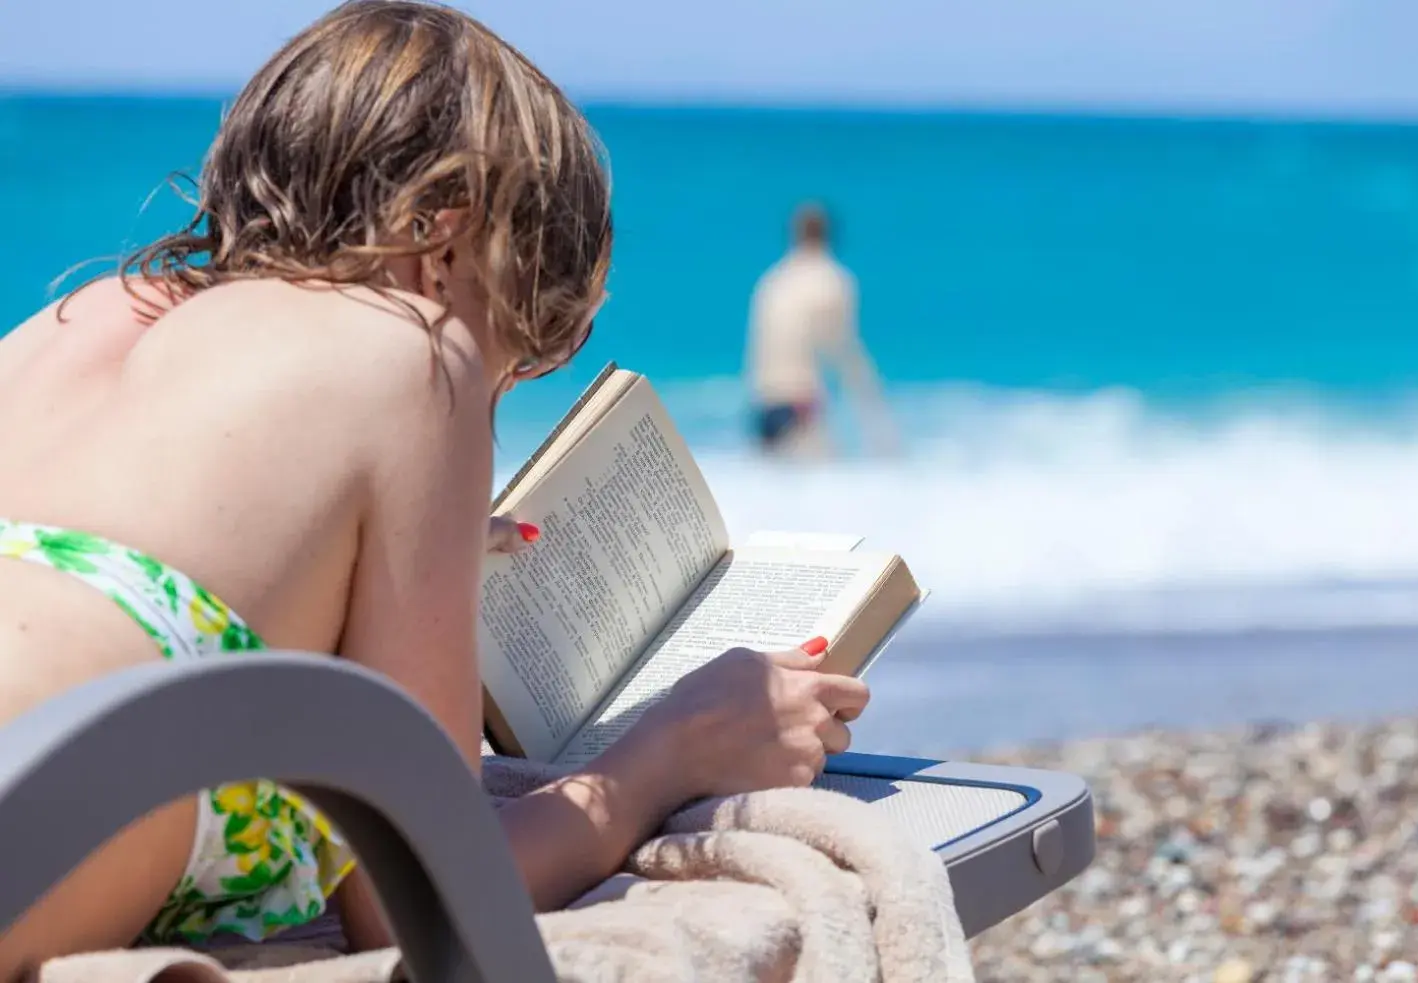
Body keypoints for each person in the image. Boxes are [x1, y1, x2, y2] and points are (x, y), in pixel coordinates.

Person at [0, 2, 869, 973]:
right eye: (513, 350)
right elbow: (414, 893)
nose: (490, 388)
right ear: (446, 234)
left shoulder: (84, 316)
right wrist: (670, 751)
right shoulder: (411, 343)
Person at [744, 204, 896, 458]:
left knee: (770, 491)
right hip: (801, 403)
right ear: (831, 234)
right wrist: (878, 424)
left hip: (762, 405)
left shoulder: (773, 280)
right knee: (824, 487)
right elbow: (845, 353)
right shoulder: (831, 280)